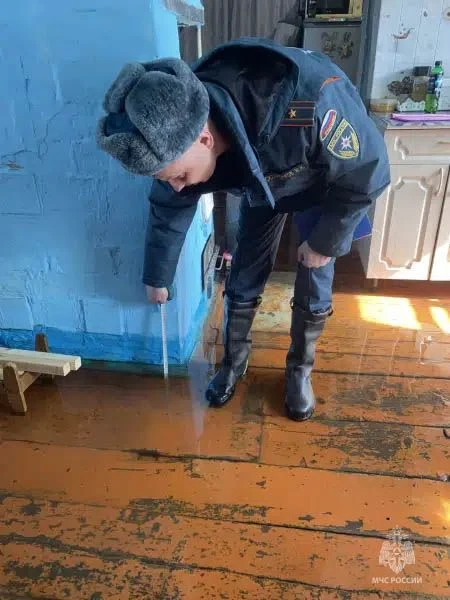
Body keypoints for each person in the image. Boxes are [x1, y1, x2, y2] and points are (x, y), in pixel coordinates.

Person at [97, 38, 390, 421]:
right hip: (261, 181)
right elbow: (169, 204)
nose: (178, 187)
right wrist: (158, 276)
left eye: (180, 176)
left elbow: (370, 170)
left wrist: (324, 242)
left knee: (315, 274)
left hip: (323, 182)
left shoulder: (313, 105)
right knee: (245, 266)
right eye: (168, 178)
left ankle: (299, 370)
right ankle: (234, 361)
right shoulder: (174, 127)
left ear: (205, 138)